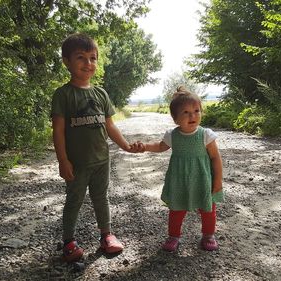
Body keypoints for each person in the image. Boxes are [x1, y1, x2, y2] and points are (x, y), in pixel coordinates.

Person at [51, 33, 138, 262]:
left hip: (102, 160)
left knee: (101, 197)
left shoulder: (100, 94)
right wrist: (63, 160)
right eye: (80, 57)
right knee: (74, 200)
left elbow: (110, 126)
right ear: (66, 62)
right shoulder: (63, 95)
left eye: (93, 58)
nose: (88, 63)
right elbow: (58, 131)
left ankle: (106, 235)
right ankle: (69, 241)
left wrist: (127, 146)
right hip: (77, 163)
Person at [138, 86, 224, 252]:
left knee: (208, 209)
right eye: (185, 112)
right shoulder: (173, 135)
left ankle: (208, 235)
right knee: (176, 209)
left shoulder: (206, 135)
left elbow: (215, 157)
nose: (192, 115)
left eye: (196, 110)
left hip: (203, 178)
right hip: (180, 180)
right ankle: (174, 236)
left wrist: (218, 180)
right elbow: (160, 146)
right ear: (175, 118)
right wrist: (145, 146)